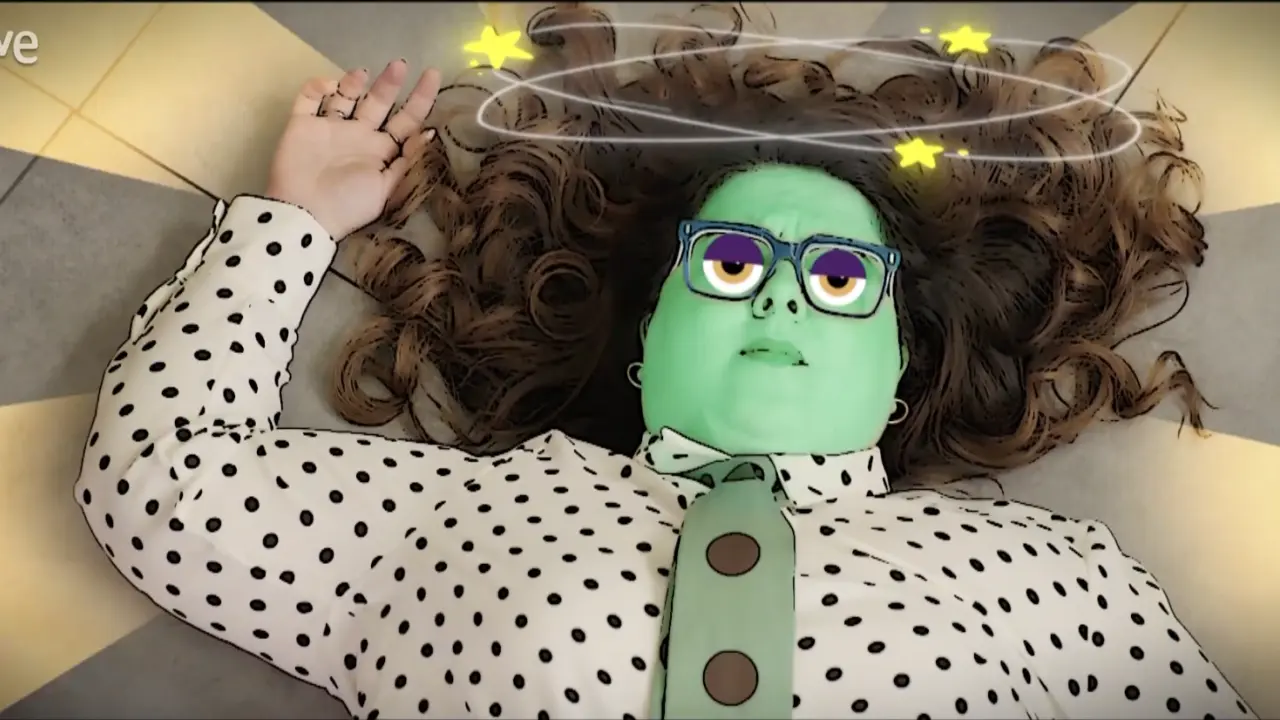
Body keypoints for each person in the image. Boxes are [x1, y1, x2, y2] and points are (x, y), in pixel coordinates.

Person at [76, 5, 1252, 719]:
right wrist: (291, 226)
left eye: (838, 278)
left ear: (901, 362)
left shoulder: (1050, 578)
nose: (779, 292)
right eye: (731, 261)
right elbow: (163, 483)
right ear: (647, 334)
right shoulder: (450, 515)